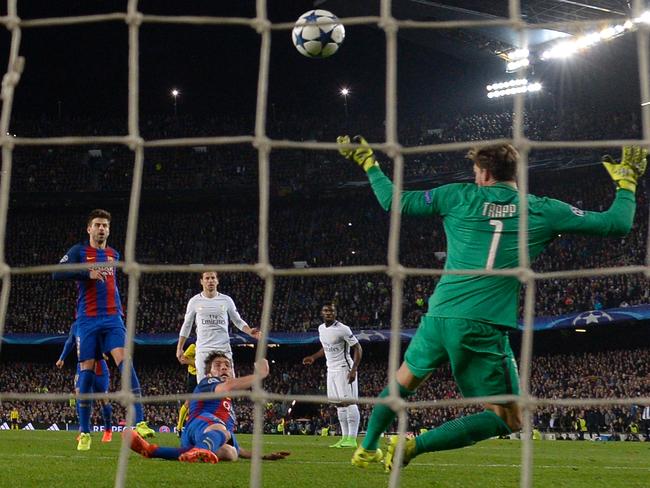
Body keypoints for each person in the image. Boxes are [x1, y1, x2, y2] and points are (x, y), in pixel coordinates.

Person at [336, 136, 646, 471]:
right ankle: (410, 447)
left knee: (400, 385)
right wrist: (627, 182)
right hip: (481, 325)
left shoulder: (457, 196)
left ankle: (367, 448)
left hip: (439, 315)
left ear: (483, 173)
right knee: (509, 418)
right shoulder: (540, 208)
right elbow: (618, 225)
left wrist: (369, 163)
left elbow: (391, 201)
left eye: (475, 171)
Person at [53, 208, 154, 451]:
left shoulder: (113, 254)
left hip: (112, 317)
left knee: (124, 361)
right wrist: (87, 272)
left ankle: (139, 420)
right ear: (89, 228)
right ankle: (85, 432)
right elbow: (57, 273)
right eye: (97, 224)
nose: (101, 229)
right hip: (87, 320)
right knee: (86, 372)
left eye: (105, 226)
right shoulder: (78, 251)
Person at [126, 352, 290, 463]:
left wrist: (265, 456)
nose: (224, 367)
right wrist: (259, 375)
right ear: (209, 373)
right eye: (218, 365)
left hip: (201, 436)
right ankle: (199, 449)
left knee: (230, 453)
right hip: (197, 426)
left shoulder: (228, 410)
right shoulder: (208, 383)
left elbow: (240, 450)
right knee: (222, 430)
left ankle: (152, 450)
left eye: (227, 365)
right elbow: (227, 387)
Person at [176, 271, 260, 383]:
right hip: (203, 349)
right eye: (207, 278)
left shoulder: (227, 300)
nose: (210, 280)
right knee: (203, 385)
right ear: (202, 281)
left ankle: (226, 401)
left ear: (217, 281)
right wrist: (179, 348)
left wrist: (249, 331)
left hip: (223, 348)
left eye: (212, 278)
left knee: (229, 384)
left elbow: (238, 321)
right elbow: (186, 325)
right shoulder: (194, 301)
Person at [302, 304, 363, 448]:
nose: (329, 313)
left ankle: (352, 439)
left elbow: (358, 348)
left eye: (331, 311)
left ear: (335, 313)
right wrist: (314, 357)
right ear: (321, 313)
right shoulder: (321, 329)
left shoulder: (343, 329)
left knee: (350, 402)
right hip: (331, 370)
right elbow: (326, 346)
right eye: (326, 311)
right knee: (339, 405)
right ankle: (344, 438)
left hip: (344, 368)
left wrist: (353, 369)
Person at [56, 323, 113, 443]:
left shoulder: (98, 323)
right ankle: (84, 430)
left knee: (103, 399)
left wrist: (103, 351)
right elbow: (70, 342)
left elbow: (107, 338)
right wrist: (62, 358)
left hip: (99, 367)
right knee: (79, 394)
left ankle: (108, 430)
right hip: (82, 366)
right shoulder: (75, 326)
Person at [175, 341, 197, 435]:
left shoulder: (209, 347)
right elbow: (182, 359)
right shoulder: (193, 347)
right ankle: (179, 428)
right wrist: (197, 364)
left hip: (205, 376)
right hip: (194, 376)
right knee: (188, 403)